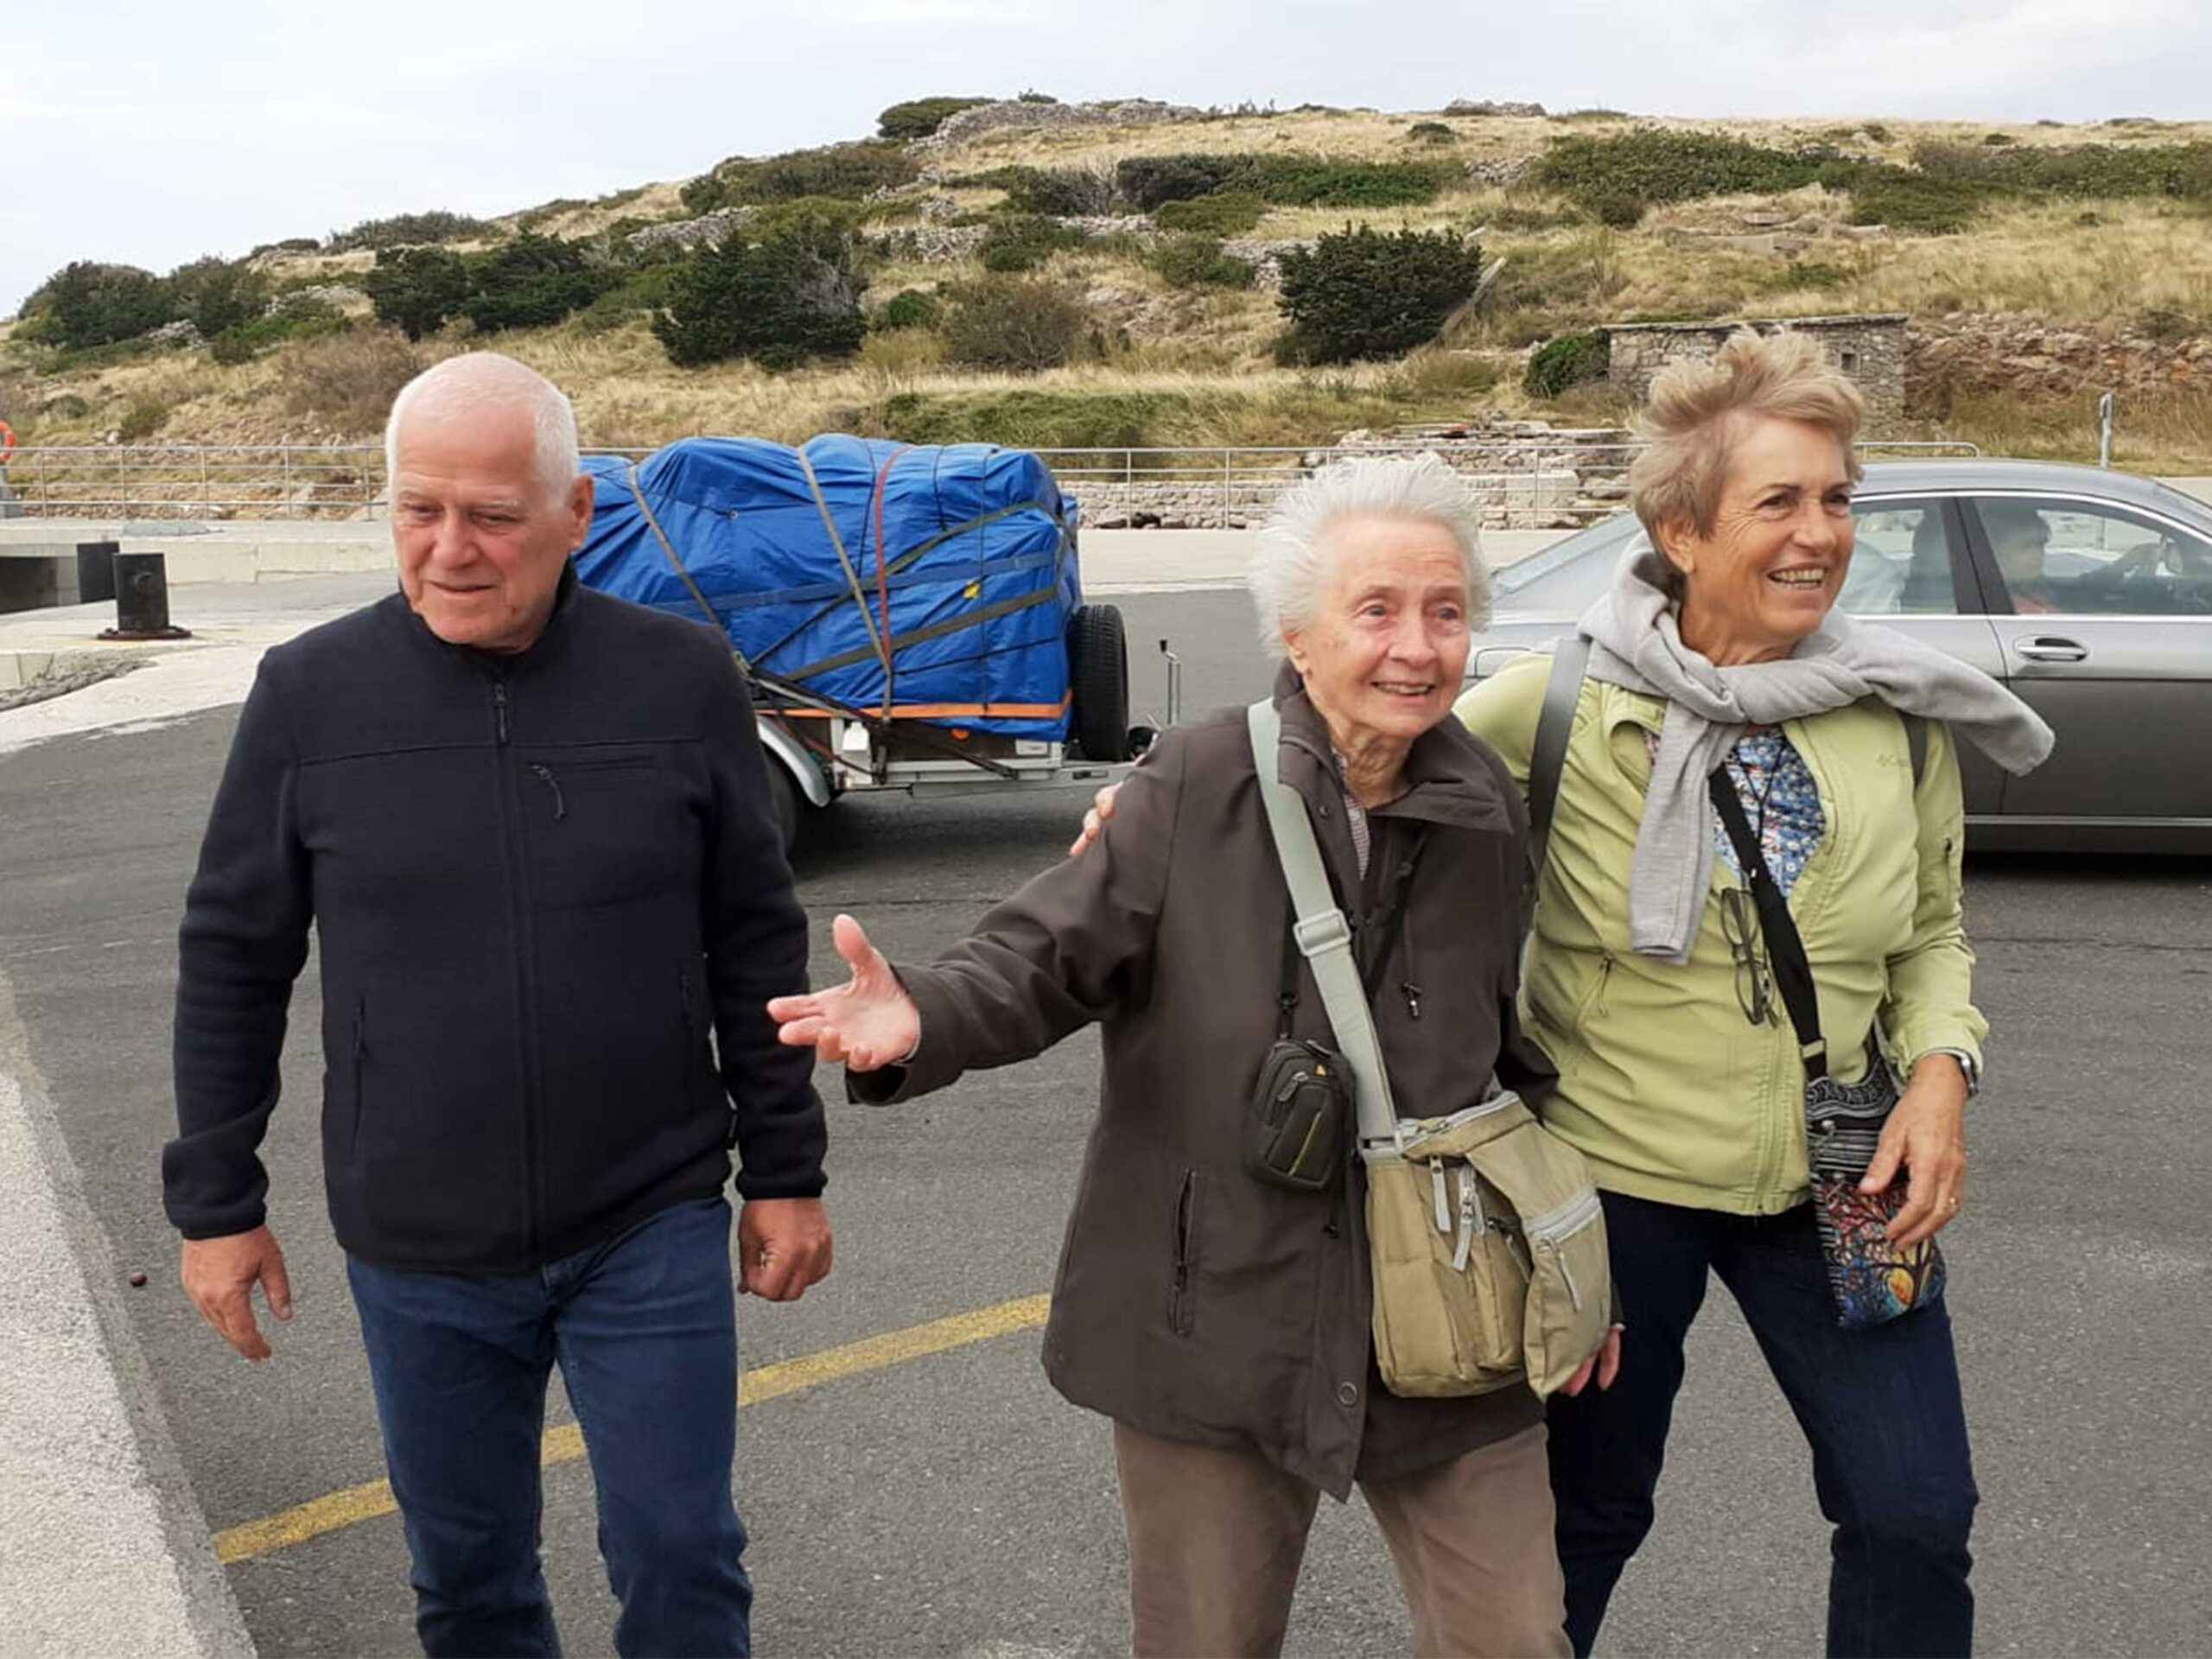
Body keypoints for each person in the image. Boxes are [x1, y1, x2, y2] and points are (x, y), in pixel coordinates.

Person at [1074, 334, 2055, 1659]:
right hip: (1611, 1188)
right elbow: (1350, 757)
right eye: (1779, 501)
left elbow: (1933, 931)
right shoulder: (1555, 708)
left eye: (1837, 499)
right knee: (1583, 1521)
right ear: (1681, 531)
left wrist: (1940, 1074)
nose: (1821, 533)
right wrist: (1166, 808)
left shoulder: (1894, 716)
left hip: (1839, 1174)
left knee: (1914, 1511)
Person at [771, 455, 1618, 1659]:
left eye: (1445, 611)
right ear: (1296, 634)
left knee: (1515, 1639)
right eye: (1376, 610)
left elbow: (1512, 1055)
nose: (1417, 648)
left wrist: (1566, 1260)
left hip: (1445, 1309)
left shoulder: (1482, 799)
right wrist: (925, 1013)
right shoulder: (1197, 780)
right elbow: (1046, 954)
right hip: (1213, 1312)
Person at [163, 352, 831, 1659]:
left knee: (682, 1556)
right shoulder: (309, 694)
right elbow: (234, 955)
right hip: (418, 1238)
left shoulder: (681, 678)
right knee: (467, 1581)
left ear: (577, 512)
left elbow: (755, 939)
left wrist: (786, 1174)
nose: (450, 550)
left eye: (492, 516)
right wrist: (216, 1206)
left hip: (647, 1213)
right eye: (419, 510)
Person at [1980, 500, 2060, 613]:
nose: (2037, 554)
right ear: (1996, 550)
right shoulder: (1994, 603)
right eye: (2026, 547)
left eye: (2040, 545)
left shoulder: (2034, 590)